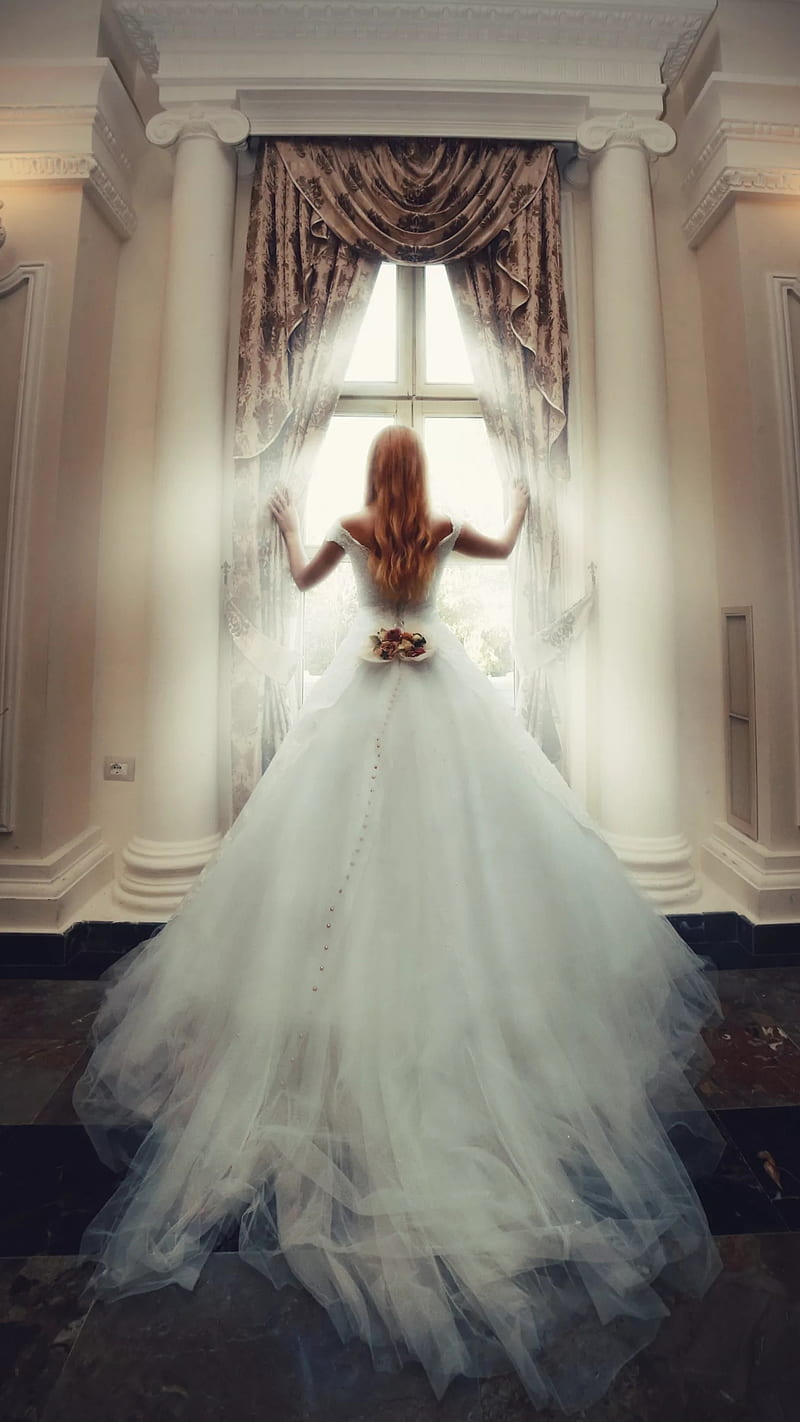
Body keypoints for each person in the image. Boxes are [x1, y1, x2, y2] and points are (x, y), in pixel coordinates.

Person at [74, 426, 723, 1414]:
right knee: (464, 842)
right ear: (417, 477)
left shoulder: (351, 525)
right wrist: (519, 510)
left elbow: (296, 585)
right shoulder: (446, 527)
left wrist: (290, 527)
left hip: (367, 685)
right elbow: (503, 556)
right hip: (436, 685)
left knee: (336, 845)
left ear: (374, 478)